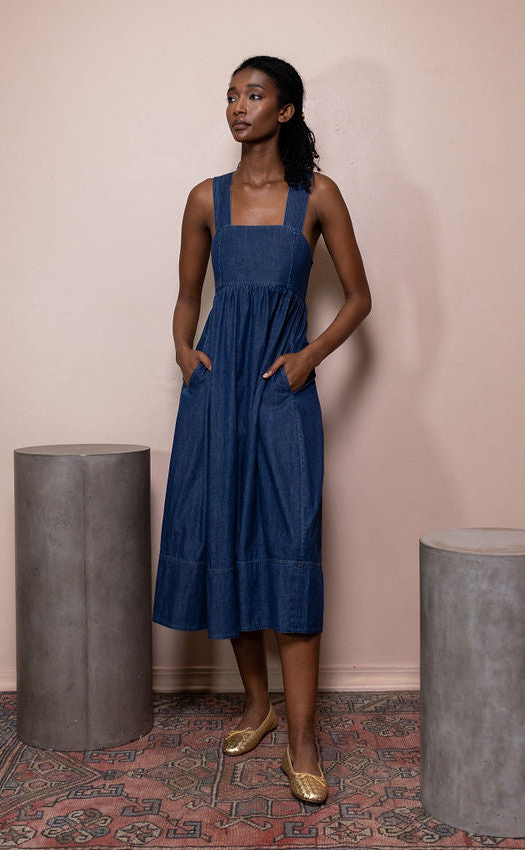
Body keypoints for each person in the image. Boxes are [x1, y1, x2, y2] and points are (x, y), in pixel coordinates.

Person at [152, 55, 371, 804]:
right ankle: (258, 704)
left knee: (286, 544)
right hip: (216, 393)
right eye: (231, 96)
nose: (238, 106)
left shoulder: (317, 195)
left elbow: (359, 298)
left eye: (254, 94)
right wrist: (186, 354)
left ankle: (304, 743)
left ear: (285, 110)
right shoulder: (204, 200)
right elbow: (186, 297)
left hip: (281, 392)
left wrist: (309, 356)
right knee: (226, 534)